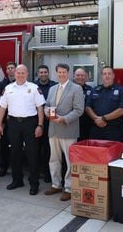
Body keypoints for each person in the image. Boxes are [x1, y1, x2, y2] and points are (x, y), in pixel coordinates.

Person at [0, 64, 45, 195]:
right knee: (15, 152)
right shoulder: (8, 88)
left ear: (27, 74)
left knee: (32, 154)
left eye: (23, 72)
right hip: (13, 124)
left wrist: (40, 125)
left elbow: (40, 108)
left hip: (30, 123)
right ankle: (17, 180)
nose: (20, 75)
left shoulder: (34, 88)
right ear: (15, 73)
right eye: (18, 72)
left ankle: (34, 183)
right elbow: (2, 108)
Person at [43, 63, 84, 201]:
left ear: (68, 73)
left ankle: (69, 188)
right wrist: (47, 111)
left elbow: (79, 110)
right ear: (56, 73)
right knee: (54, 159)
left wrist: (64, 119)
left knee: (70, 161)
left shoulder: (76, 88)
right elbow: (47, 105)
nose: (61, 74)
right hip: (53, 130)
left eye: (64, 72)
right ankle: (56, 185)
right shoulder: (52, 88)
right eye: (59, 72)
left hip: (68, 130)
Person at [85, 66, 123, 141]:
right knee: (96, 152)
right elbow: (88, 107)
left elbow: (121, 110)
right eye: (104, 74)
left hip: (114, 130)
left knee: (113, 152)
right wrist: (97, 119)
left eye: (109, 73)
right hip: (96, 129)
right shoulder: (95, 90)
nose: (107, 76)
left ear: (113, 75)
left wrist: (103, 118)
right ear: (102, 76)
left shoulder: (120, 90)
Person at [34, 64, 56, 183]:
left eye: (45, 72)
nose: (43, 74)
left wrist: (52, 117)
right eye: (41, 72)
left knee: (48, 150)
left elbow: (54, 103)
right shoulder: (33, 86)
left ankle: (47, 174)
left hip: (49, 123)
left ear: (48, 73)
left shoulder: (54, 86)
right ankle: (35, 173)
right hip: (35, 123)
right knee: (35, 149)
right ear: (38, 74)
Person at [0, 61, 16, 177]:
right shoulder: (1, 84)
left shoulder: (21, 83)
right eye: (8, 68)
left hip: (16, 121)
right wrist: (2, 122)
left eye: (12, 68)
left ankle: (15, 168)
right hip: (5, 122)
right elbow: (0, 105)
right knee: (4, 146)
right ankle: (3, 167)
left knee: (16, 146)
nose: (10, 70)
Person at [73, 68, 93, 141]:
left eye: (82, 75)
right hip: (71, 124)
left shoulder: (91, 90)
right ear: (73, 76)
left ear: (86, 77)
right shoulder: (68, 89)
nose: (80, 77)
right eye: (78, 75)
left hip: (85, 125)